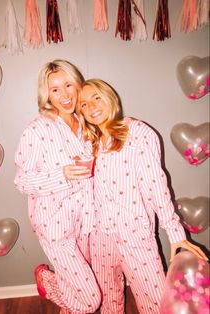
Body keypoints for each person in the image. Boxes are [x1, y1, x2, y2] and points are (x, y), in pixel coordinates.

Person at [76, 78, 208, 314]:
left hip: (135, 235)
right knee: (109, 303)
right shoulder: (89, 143)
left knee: (156, 304)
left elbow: (157, 186)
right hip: (99, 238)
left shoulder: (138, 133)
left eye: (96, 97)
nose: (91, 107)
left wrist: (176, 235)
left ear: (110, 98)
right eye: (83, 104)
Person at [14, 61, 101, 314]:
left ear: (78, 85)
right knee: (88, 299)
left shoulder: (87, 124)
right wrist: (62, 174)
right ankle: (47, 281)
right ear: (46, 94)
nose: (64, 95)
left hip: (86, 223)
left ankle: (54, 285)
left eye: (68, 85)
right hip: (55, 226)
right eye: (55, 90)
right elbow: (22, 181)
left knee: (75, 288)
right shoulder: (37, 130)